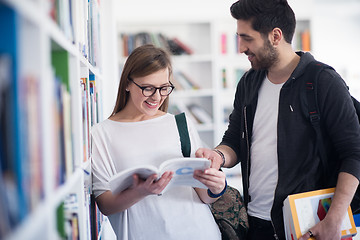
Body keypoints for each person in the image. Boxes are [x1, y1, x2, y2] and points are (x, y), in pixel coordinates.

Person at [195, 0, 360, 239]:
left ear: (275, 36)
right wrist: (218, 156)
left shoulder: (323, 81)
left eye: (247, 38)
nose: (241, 47)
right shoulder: (249, 82)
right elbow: (234, 139)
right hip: (256, 223)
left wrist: (334, 219)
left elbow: (354, 153)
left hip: (309, 225)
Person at [91, 44, 225, 240]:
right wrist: (141, 191)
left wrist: (216, 187)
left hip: (200, 232)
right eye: (148, 88)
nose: (157, 97)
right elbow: (106, 205)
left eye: (164, 88)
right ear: (127, 83)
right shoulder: (102, 133)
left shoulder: (180, 124)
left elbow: (204, 197)